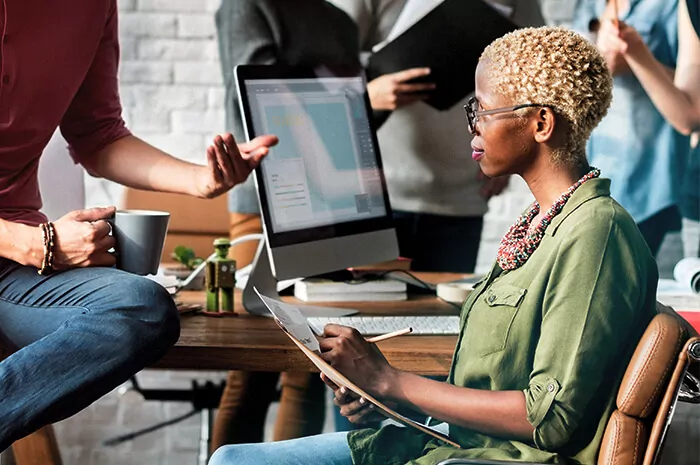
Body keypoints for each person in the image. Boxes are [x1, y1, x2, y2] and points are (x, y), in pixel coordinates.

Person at [0, 1, 277, 464]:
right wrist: (39, 244)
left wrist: (199, 182)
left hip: (14, 265)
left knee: (141, 308)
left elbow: (99, 135)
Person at [209, 26, 660, 465]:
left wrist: (390, 380)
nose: (473, 127)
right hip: (459, 442)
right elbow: (494, 385)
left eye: (482, 110)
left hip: (497, 457)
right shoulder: (542, 222)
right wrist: (378, 391)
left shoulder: (596, 234)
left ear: (541, 122)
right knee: (230, 456)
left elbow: (552, 418)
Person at [211, 0, 438, 451]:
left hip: (328, 200)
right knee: (252, 364)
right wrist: (358, 97)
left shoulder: (339, 21)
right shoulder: (246, 7)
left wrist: (371, 102)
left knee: (310, 371)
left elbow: (351, 127)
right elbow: (255, 108)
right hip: (264, 195)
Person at [328, 0, 544, 274]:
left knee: (442, 314)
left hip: (462, 199)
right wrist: (367, 96)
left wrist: (513, 152)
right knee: (372, 314)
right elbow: (324, 64)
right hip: (377, 198)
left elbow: (533, 76)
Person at [572, 0, 690, 256]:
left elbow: (690, 97)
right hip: (593, 165)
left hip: (648, 175)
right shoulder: (587, 4)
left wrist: (638, 60)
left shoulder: (673, 6)